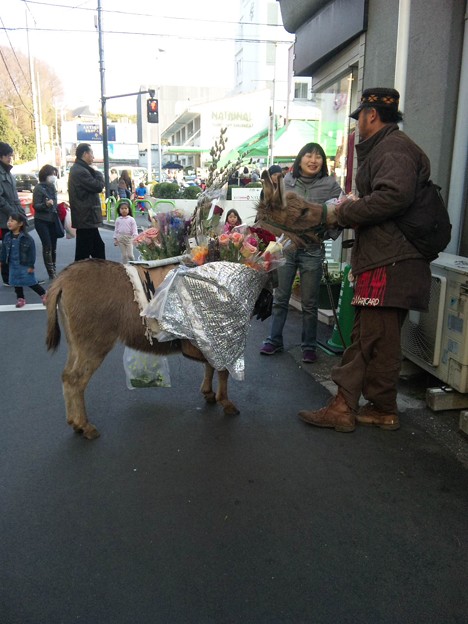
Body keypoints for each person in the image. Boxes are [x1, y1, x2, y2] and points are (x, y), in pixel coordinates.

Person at [298, 87, 432, 433]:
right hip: (390, 257)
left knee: (366, 338)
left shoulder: (393, 149)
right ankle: (383, 408)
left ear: (371, 114)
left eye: (358, 115)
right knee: (381, 339)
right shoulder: (391, 148)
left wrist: (344, 213)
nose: (356, 122)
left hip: (391, 260)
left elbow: (394, 196)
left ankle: (343, 406)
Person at [260, 142, 343, 363]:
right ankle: (274, 339)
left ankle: (309, 345)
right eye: (309, 155)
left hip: (313, 250)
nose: (313, 160)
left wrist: (327, 234)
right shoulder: (286, 182)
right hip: (286, 247)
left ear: (323, 162)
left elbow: (341, 214)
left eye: (318, 157)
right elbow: (271, 210)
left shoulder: (330, 186)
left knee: (310, 302)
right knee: (280, 297)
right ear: (300, 159)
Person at [68, 143, 106, 261]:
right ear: (85, 154)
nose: (93, 157)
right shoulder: (80, 171)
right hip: (86, 217)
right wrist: (99, 174)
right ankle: (80, 276)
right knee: (85, 252)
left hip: (86, 217)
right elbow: (98, 186)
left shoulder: (80, 169)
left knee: (96, 248)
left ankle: (98, 275)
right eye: (92, 153)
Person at [0, 212, 47, 308]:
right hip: (12, 264)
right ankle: (20, 298)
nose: (9, 223)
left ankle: (43, 294)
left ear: (20, 224)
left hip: (24, 264)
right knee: (15, 282)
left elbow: (31, 253)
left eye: (12, 221)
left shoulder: (27, 238)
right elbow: (4, 250)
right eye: (8, 220)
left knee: (30, 281)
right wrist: (2, 261)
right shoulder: (7, 237)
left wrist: (31, 265)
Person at [0, 142, 26, 286]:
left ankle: (16, 275)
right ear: (1, 156)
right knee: (8, 248)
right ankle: (7, 277)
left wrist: (20, 213)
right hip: (6, 218)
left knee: (17, 246)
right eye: (8, 156)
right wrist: (13, 213)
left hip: (15, 215)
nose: (10, 158)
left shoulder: (8, 172)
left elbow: (15, 197)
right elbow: (1, 199)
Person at [33, 164, 60, 279]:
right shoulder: (38, 188)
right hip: (41, 221)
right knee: (47, 246)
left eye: (54, 174)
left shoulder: (52, 187)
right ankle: (51, 273)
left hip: (52, 220)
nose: (54, 177)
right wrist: (46, 204)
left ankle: (53, 268)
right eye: (52, 174)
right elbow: (36, 205)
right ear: (45, 175)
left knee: (53, 247)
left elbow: (55, 204)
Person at [113, 199, 138, 264]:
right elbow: (116, 229)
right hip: (120, 238)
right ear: (119, 210)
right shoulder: (118, 219)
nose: (124, 210)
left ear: (128, 210)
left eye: (125, 208)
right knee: (124, 255)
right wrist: (115, 239)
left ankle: (134, 264)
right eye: (122, 208)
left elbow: (134, 229)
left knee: (130, 255)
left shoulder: (131, 219)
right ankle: (125, 267)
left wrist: (135, 238)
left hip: (129, 238)